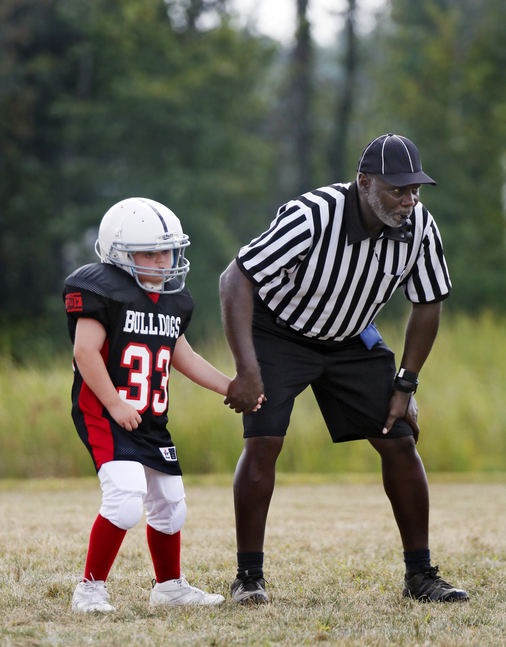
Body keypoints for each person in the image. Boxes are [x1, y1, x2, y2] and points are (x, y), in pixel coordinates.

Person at [219, 133, 469, 605]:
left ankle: (420, 575)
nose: (409, 200)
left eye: (415, 190)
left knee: (399, 438)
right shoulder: (313, 215)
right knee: (264, 440)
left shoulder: (418, 227)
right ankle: (249, 578)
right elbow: (236, 278)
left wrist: (406, 383)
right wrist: (247, 368)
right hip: (281, 331)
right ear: (364, 183)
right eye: (398, 189)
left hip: (352, 335)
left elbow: (428, 303)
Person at [63, 197, 261, 613]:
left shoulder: (173, 300)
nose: (162, 260)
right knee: (125, 497)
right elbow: (85, 352)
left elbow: (180, 355)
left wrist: (229, 385)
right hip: (106, 411)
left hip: (150, 417)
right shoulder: (102, 289)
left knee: (171, 504)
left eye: (166, 250)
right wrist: (115, 403)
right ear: (118, 255)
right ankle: (90, 588)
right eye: (149, 252)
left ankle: (169, 586)